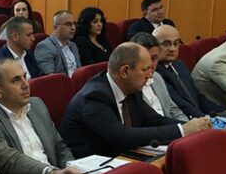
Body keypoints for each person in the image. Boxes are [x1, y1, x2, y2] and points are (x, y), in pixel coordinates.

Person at [60, 43, 210, 158]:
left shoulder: (131, 88)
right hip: (89, 169)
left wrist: (195, 126)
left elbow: (156, 120)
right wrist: (182, 130)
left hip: (121, 157)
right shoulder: (94, 97)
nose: (150, 75)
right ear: (125, 71)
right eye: (145, 69)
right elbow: (122, 137)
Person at [0, 57, 74, 173]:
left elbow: (59, 147)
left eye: (24, 77)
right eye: (16, 80)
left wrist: (71, 171)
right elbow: (8, 170)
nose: (26, 84)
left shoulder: (37, 105)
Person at [153, 24, 225, 118]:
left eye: (176, 43)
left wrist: (225, 113)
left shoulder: (179, 65)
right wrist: (204, 119)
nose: (172, 49)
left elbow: (198, 97)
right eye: (166, 44)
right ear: (154, 46)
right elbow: (180, 103)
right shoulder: (155, 72)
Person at [129, 32, 189, 122]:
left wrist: (188, 125)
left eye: (154, 58)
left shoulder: (157, 77)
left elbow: (173, 110)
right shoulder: (129, 86)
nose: (150, 64)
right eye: (145, 59)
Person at [34, 10, 80, 77]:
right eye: (68, 24)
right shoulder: (45, 47)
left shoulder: (73, 46)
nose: (73, 28)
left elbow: (79, 71)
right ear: (56, 28)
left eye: (74, 24)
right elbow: (50, 77)